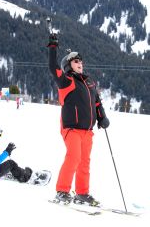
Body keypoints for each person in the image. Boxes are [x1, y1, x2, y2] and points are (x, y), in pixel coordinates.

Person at [48, 33, 110, 206]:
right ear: (68, 66)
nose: (80, 64)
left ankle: (82, 193)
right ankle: (62, 191)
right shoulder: (66, 81)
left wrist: (102, 117)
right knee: (73, 157)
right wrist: (53, 47)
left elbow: (97, 103)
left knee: (84, 162)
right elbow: (53, 68)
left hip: (87, 131)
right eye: (76, 62)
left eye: (81, 61)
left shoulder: (89, 83)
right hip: (71, 128)